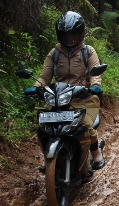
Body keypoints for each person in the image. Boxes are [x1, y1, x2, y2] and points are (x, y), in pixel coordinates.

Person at [33, 11, 106, 170]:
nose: (70, 39)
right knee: (44, 125)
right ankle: (49, 155)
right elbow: (44, 76)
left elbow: (96, 72)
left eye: (73, 35)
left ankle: (95, 152)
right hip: (59, 98)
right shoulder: (55, 53)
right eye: (66, 35)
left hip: (84, 97)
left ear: (80, 34)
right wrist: (35, 87)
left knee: (85, 125)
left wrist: (95, 86)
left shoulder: (88, 51)